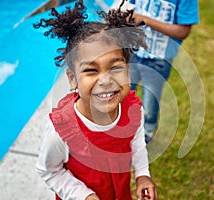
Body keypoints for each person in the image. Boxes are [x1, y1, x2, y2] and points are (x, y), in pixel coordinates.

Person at [33, 0, 157, 199]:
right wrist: (84, 195)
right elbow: (49, 171)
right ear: (72, 79)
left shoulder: (132, 108)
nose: (106, 80)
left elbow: (137, 143)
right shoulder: (62, 130)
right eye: (91, 70)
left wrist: (142, 174)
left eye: (116, 68)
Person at [123, 0, 199, 143]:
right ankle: (122, 127)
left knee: (150, 101)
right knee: (124, 92)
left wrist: (146, 20)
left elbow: (182, 32)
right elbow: (131, 7)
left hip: (159, 60)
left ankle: (147, 132)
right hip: (133, 52)